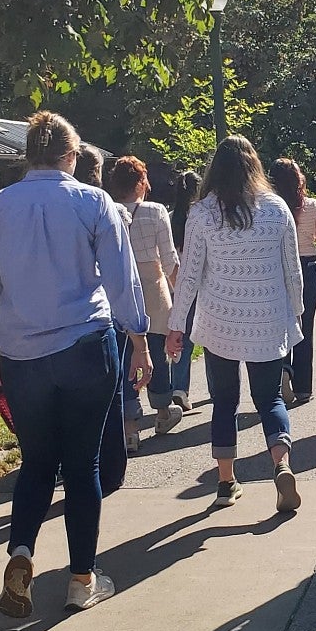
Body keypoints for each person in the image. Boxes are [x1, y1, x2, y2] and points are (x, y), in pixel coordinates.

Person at [0, 111, 151, 617]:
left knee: (37, 460)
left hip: (23, 353)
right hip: (83, 344)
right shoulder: (93, 201)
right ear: (72, 157)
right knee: (83, 464)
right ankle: (81, 577)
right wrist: (138, 336)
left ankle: (21, 552)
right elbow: (121, 280)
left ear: (28, 155)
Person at [165, 136, 304, 513]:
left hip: (220, 324)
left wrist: (176, 326)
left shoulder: (203, 214)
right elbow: (293, 271)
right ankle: (282, 464)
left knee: (224, 401)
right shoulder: (276, 209)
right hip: (268, 320)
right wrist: (296, 316)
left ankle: (226, 482)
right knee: (270, 398)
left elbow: (189, 275)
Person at [110, 156, 185, 434]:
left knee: (127, 354)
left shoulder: (109, 210)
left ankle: (129, 425)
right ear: (141, 181)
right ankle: (163, 410)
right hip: (153, 288)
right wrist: (182, 294)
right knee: (157, 350)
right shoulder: (155, 211)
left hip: (121, 289)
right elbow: (168, 260)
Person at [75, 144, 135, 480]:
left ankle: (82, 460)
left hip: (74, 315)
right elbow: (122, 272)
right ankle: (111, 464)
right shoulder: (106, 207)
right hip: (108, 311)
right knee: (110, 392)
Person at [269, 158, 316, 404]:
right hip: (308, 264)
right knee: (306, 326)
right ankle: (303, 386)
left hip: (278, 268)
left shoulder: (268, 208)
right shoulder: (311, 206)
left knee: (280, 324)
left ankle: (282, 369)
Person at [168, 170, 202, 405]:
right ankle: (218, 387)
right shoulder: (202, 217)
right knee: (211, 341)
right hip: (203, 285)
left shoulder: (170, 217)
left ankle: (179, 388)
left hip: (176, 284)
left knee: (182, 339)